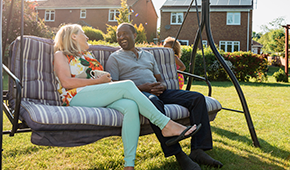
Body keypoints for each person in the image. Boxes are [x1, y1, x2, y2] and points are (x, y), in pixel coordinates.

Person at [53, 24, 200, 170]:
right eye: (83, 33)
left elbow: (98, 79)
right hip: (76, 96)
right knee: (128, 84)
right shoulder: (61, 54)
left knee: (131, 106)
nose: (86, 37)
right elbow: (66, 82)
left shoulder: (88, 56)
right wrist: (98, 81)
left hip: (97, 93)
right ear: (73, 36)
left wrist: (103, 80)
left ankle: (129, 165)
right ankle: (166, 125)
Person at [107, 23, 223, 170]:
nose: (121, 37)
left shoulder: (148, 55)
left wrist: (162, 85)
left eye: (125, 33)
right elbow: (115, 86)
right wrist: (143, 87)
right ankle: (179, 155)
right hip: (138, 95)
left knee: (197, 98)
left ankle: (198, 150)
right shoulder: (114, 58)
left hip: (159, 91)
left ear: (135, 35)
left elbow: (160, 78)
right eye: (118, 35)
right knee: (154, 103)